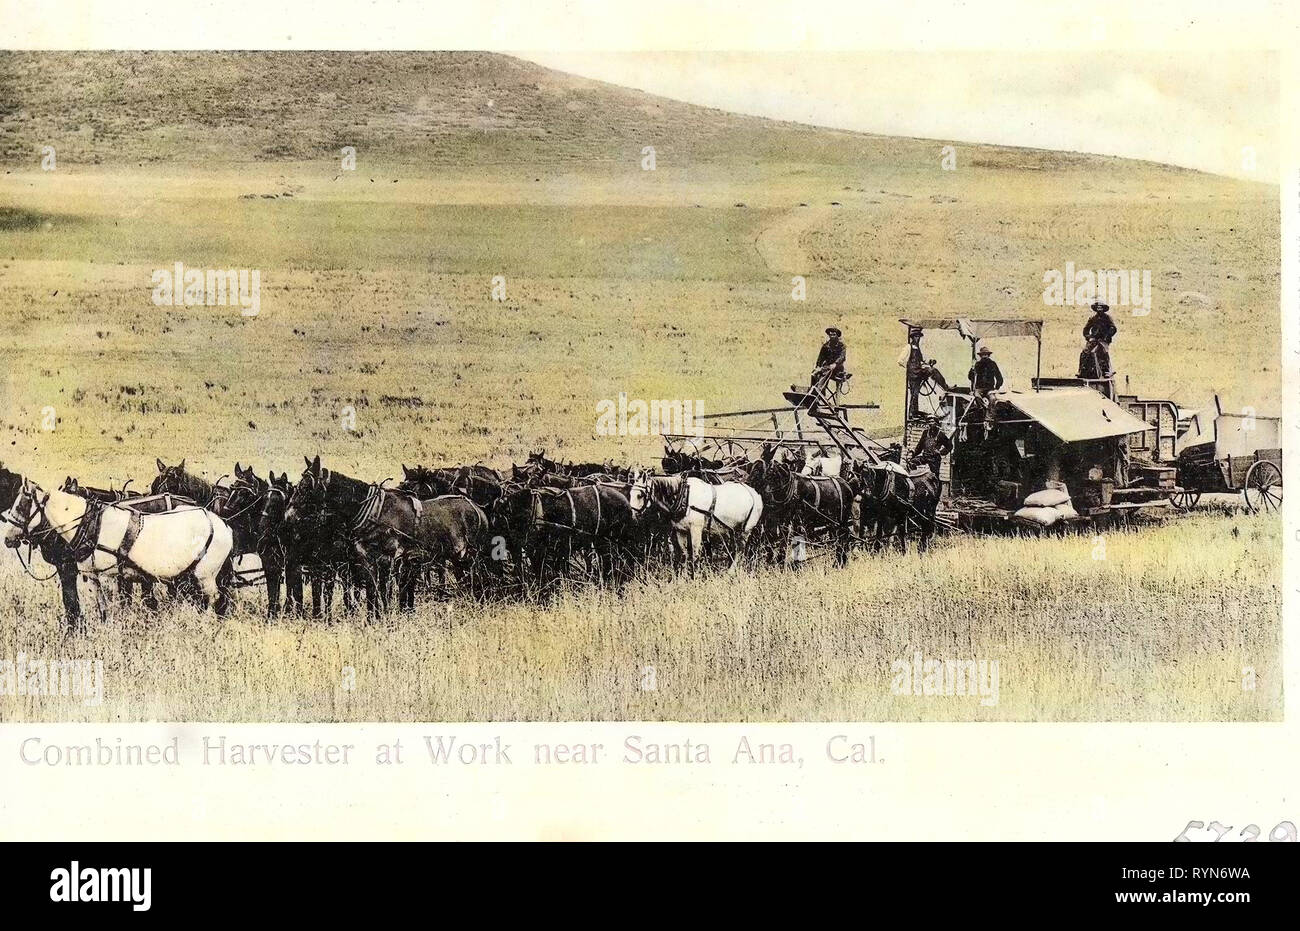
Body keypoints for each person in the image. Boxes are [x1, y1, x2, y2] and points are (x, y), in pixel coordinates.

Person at [898, 326, 950, 419]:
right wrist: (909, 368)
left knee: (933, 371)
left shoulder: (917, 348)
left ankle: (945, 387)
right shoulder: (908, 347)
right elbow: (900, 360)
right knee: (914, 393)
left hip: (919, 372)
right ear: (912, 337)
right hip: (913, 374)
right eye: (916, 336)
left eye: (919, 336)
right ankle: (912, 413)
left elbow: (921, 360)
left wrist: (929, 361)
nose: (918, 338)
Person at [967, 344, 1004, 436]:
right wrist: (972, 369)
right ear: (980, 356)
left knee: (993, 399)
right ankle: (983, 409)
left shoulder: (993, 364)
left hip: (989, 389)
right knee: (976, 396)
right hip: (979, 388)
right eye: (983, 355)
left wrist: (996, 389)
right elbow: (970, 377)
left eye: (986, 354)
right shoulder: (977, 364)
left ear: (988, 355)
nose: (984, 356)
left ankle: (989, 418)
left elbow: (999, 378)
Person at [1079, 300, 1117, 380]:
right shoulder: (1093, 318)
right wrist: (1089, 337)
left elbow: (1113, 328)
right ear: (1096, 309)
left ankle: (1106, 371)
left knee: (1102, 352)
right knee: (1085, 352)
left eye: (1101, 308)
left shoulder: (1107, 318)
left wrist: (1107, 336)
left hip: (1104, 339)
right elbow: (1086, 329)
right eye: (1098, 308)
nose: (1099, 309)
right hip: (1094, 339)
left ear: (1103, 309)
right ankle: (1082, 371)